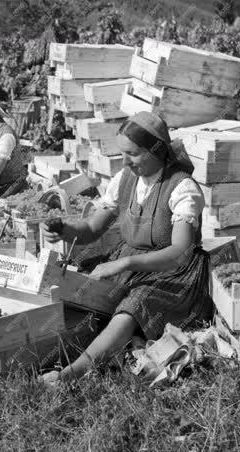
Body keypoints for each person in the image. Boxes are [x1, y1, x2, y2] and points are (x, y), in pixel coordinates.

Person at [40, 111, 212, 387]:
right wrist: (64, 229)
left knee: (135, 304)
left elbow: (180, 251)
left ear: (156, 151)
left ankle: (73, 373)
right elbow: (92, 229)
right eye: (123, 153)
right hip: (130, 261)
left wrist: (124, 263)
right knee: (84, 291)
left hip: (173, 273)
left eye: (133, 153)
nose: (125, 161)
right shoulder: (126, 179)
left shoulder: (182, 189)